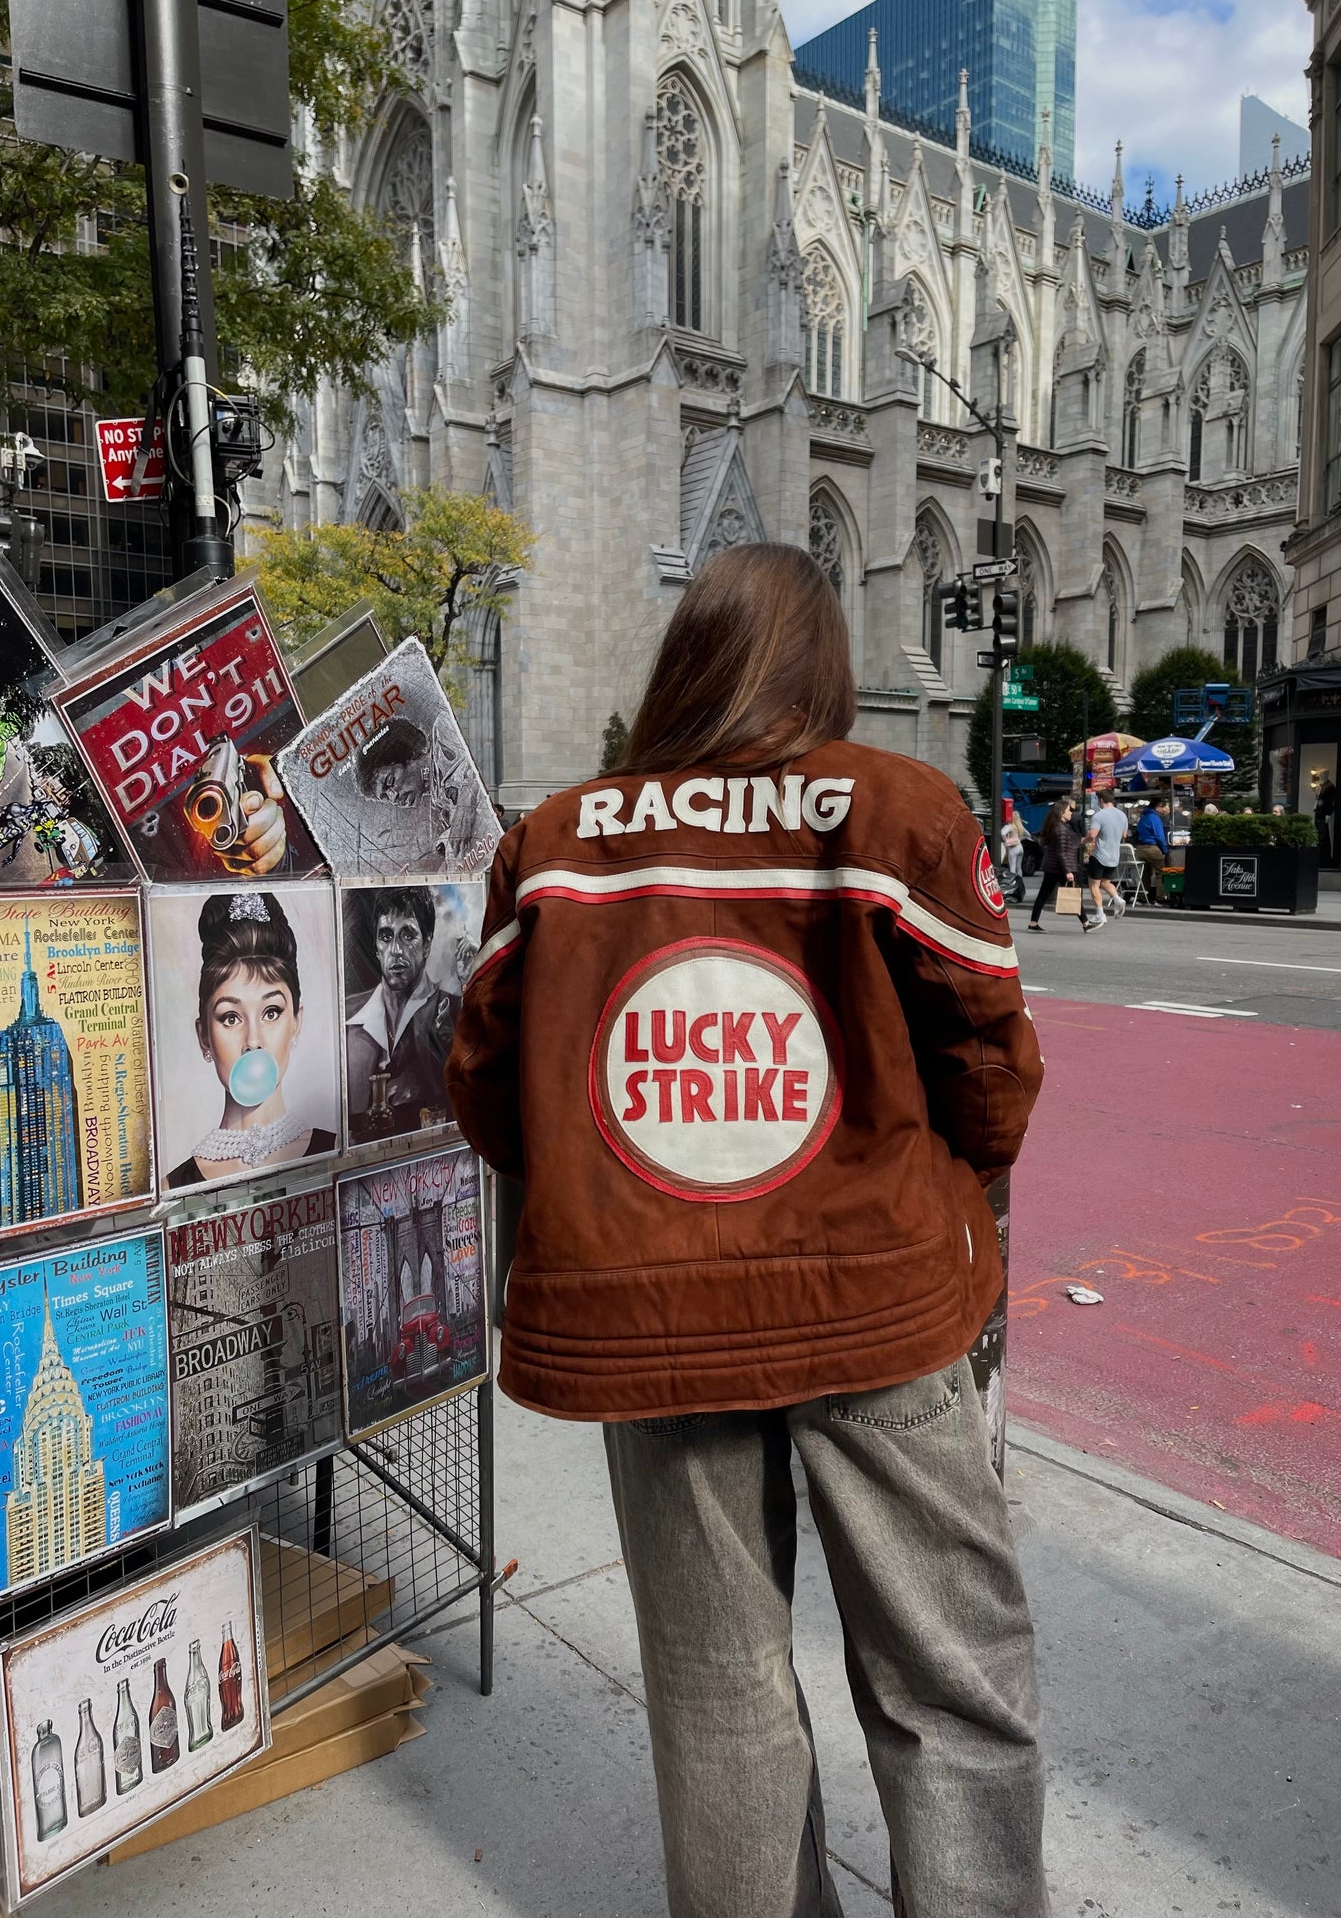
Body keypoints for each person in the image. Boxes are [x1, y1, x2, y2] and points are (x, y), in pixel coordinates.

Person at [447, 543, 1050, 1918]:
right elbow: (992, 1067)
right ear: (822, 673)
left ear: (686, 664)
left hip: (649, 1323)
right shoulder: (898, 808)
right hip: (875, 1300)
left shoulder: (556, 841)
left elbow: (486, 1082)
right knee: (952, 1680)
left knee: (718, 1694)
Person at [168, 891, 336, 1187]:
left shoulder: (335, 1150)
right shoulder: (175, 1184)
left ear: (296, 1022)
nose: (253, 1041)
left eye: (271, 1012)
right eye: (231, 1018)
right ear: (204, 1036)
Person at [345, 886, 457, 1140]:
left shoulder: (454, 1010)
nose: (395, 950)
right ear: (375, 947)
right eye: (386, 936)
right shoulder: (348, 1017)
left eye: (408, 935)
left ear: (427, 944)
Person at [1026, 796, 1083, 931]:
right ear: (1061, 813)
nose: (1071, 813)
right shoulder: (1061, 830)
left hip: (1052, 867)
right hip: (1058, 867)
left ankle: (1033, 923)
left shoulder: (1057, 826)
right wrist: (1068, 871)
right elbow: (1061, 852)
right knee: (1073, 894)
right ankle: (1086, 923)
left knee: (1043, 895)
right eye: (1069, 811)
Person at [1083, 788, 1128, 931]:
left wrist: (1083, 841)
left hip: (1100, 855)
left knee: (1094, 885)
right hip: (1114, 856)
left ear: (1101, 800)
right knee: (1105, 882)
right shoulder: (1122, 815)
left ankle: (1099, 913)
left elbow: (1093, 834)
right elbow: (1125, 835)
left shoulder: (1099, 816)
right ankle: (1117, 899)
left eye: (1097, 800)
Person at [1132, 795, 1170, 903]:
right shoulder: (1155, 818)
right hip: (1152, 848)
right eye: (1163, 807)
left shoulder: (1143, 817)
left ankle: (1142, 897)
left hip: (1140, 848)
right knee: (1160, 872)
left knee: (1145, 873)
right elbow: (1159, 837)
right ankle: (1160, 898)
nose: (1163, 810)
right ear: (1158, 807)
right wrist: (1164, 850)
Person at [1000, 799, 1028, 904]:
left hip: (1013, 848)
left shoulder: (1010, 826)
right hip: (1020, 847)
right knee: (1019, 867)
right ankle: (1021, 884)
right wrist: (1020, 838)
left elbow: (1002, 833)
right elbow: (1028, 834)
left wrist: (1006, 840)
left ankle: (1013, 886)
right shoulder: (1020, 827)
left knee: (1012, 868)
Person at [1315, 776, 1338, 864]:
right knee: (1319, 835)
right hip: (1319, 813)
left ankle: (1324, 858)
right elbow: (1318, 799)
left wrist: (1329, 813)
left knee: (1323, 836)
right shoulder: (1321, 786)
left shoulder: (1330, 787)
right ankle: (1321, 857)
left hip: (1323, 814)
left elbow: (1331, 802)